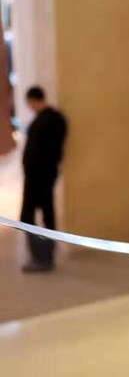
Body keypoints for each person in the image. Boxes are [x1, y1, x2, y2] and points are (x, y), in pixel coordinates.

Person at [20, 85, 67, 273]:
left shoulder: (48, 120)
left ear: (33, 100)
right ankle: (45, 255)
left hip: (39, 176)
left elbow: (45, 151)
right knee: (46, 214)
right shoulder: (54, 119)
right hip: (43, 174)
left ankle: (42, 257)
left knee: (28, 217)